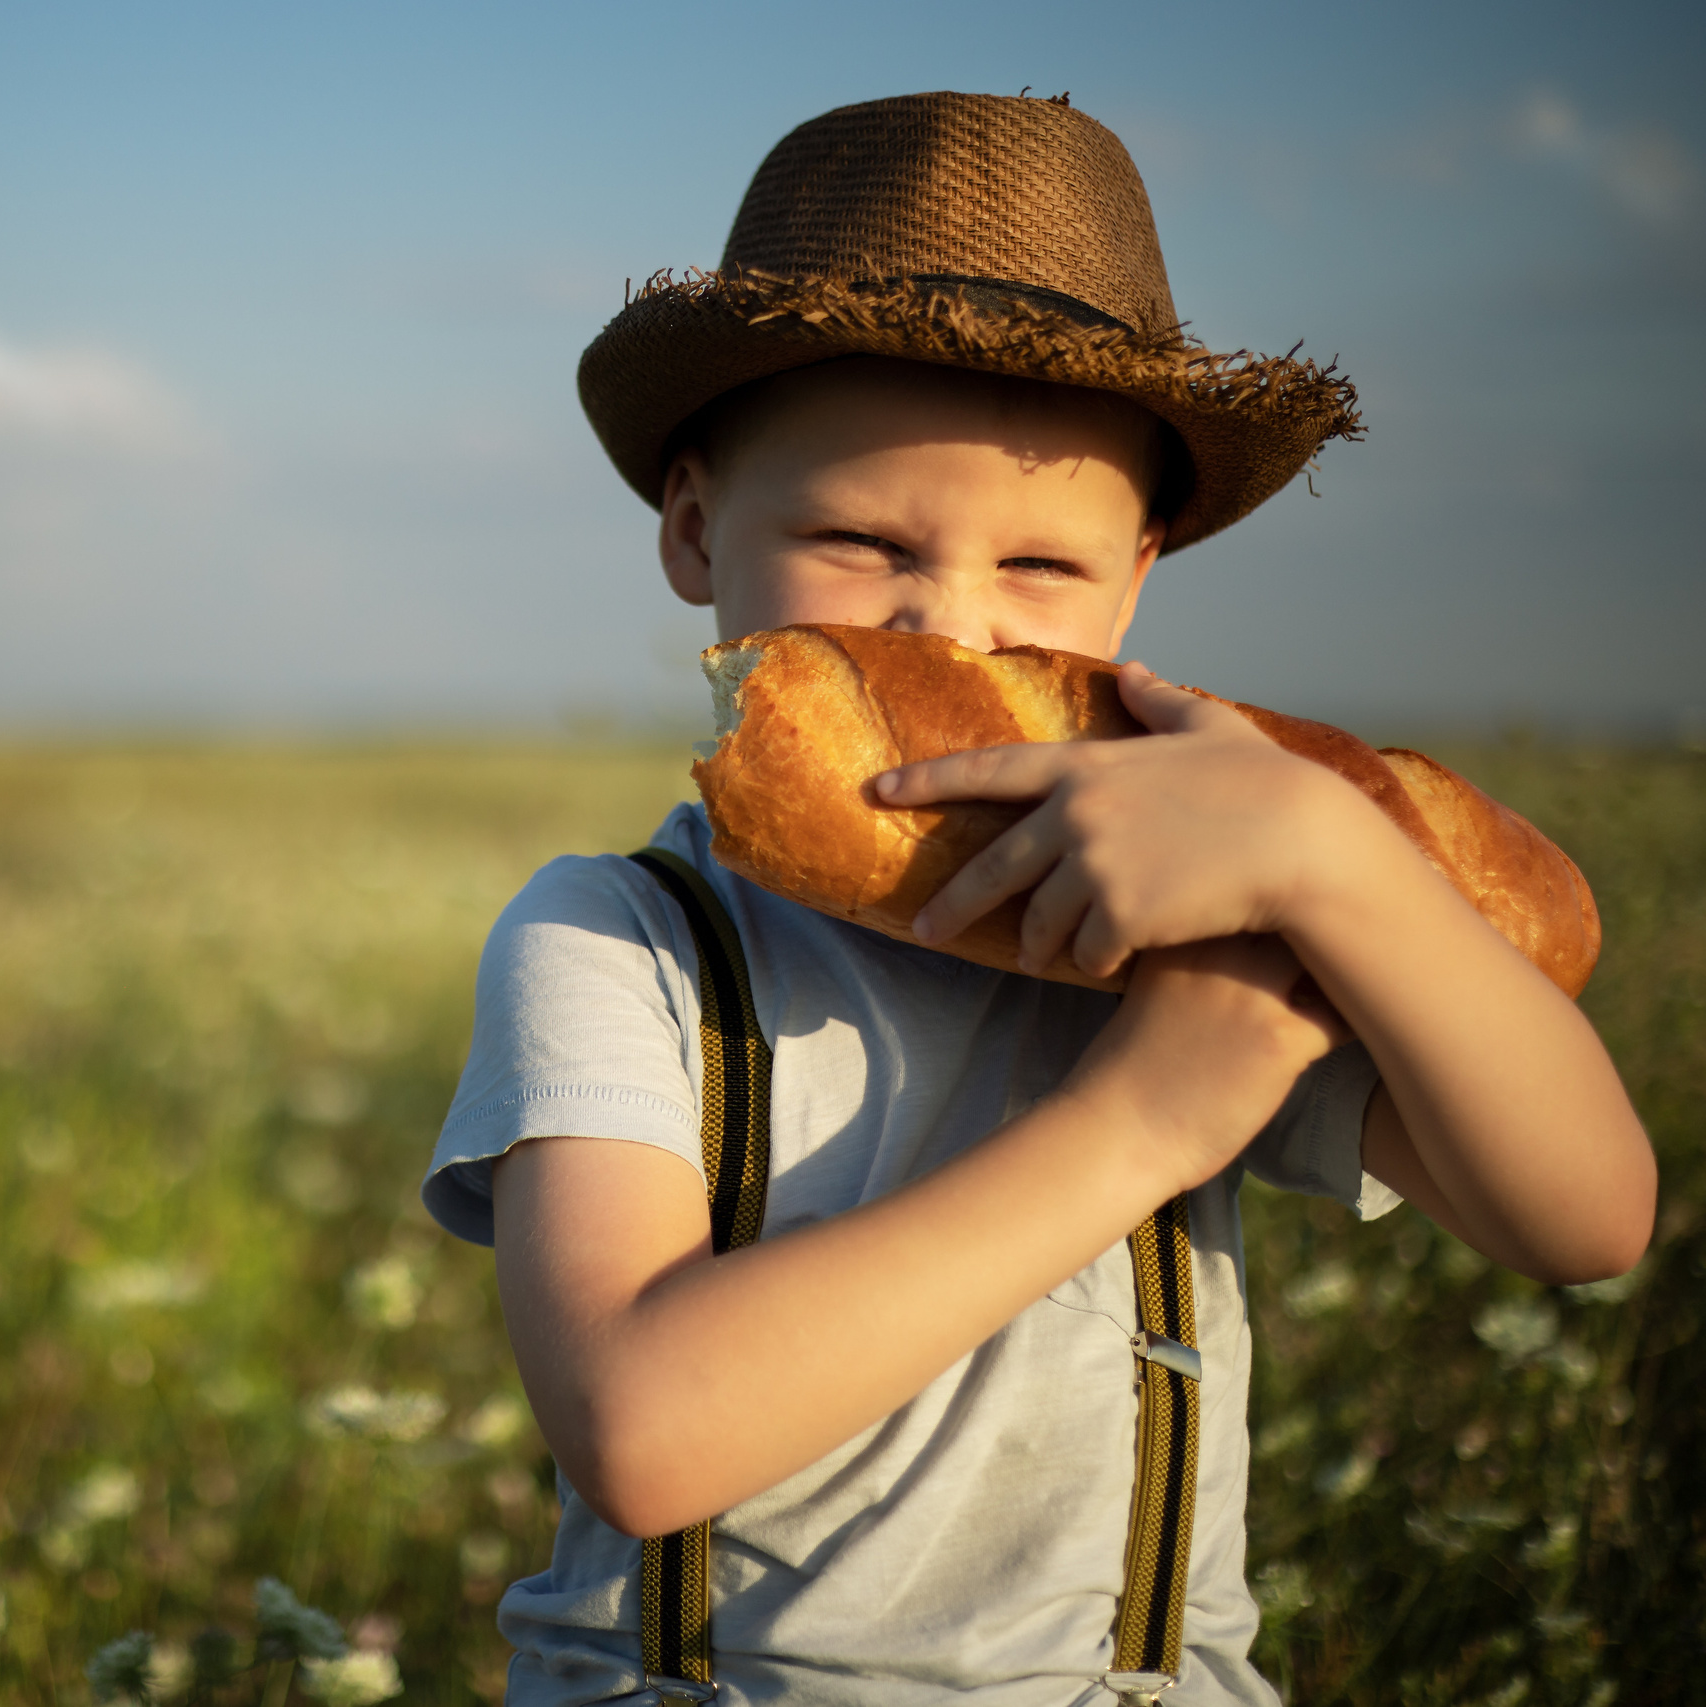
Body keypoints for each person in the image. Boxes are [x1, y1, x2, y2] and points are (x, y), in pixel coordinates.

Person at [419, 92, 1653, 1707]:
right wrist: (1144, 1122)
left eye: (1042, 571)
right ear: (696, 528)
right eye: (862, 542)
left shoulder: (1204, 917)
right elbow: (648, 1435)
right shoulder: (615, 938)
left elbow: (1583, 1220)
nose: (954, 629)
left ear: (1140, 579)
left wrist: (1338, 871)